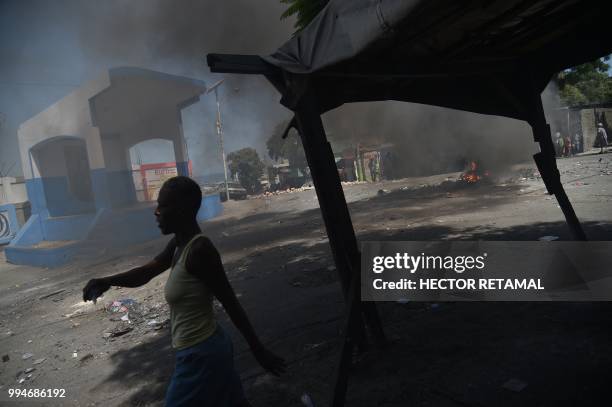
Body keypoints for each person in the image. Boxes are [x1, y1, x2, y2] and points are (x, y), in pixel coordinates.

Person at [83, 176, 285, 406]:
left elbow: (231, 302)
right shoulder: (179, 245)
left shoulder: (200, 251)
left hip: (200, 355)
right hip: (205, 349)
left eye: (163, 206)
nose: (156, 212)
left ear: (181, 210)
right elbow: (146, 273)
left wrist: (257, 349)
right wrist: (107, 281)